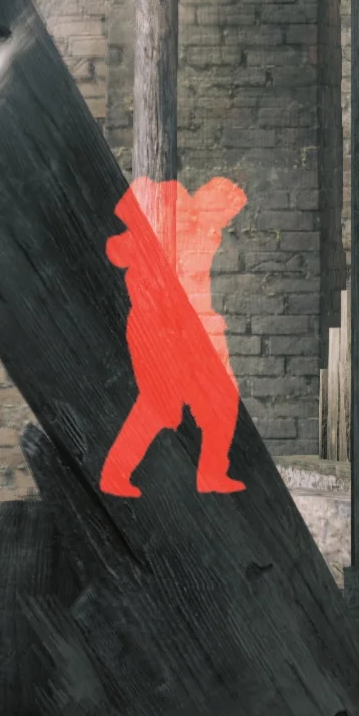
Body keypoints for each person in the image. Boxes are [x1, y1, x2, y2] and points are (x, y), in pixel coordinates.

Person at [99, 176, 250, 497]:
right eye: (225, 212)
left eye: (230, 215)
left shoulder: (205, 236)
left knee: (222, 400)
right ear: (207, 201)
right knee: (158, 405)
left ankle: (211, 474)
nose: (226, 221)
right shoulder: (170, 217)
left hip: (187, 331)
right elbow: (118, 251)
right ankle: (114, 474)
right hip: (155, 328)